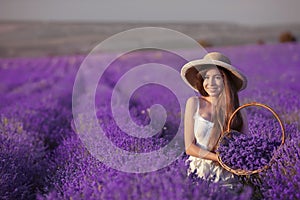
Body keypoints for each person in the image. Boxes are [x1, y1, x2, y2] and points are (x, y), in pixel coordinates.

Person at [180, 52, 248, 187]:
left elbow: (245, 145)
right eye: (206, 77)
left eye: (217, 77)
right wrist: (218, 158)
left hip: (227, 176)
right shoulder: (194, 103)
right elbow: (189, 148)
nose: (210, 83)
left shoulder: (238, 110)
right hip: (199, 173)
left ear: (226, 81)